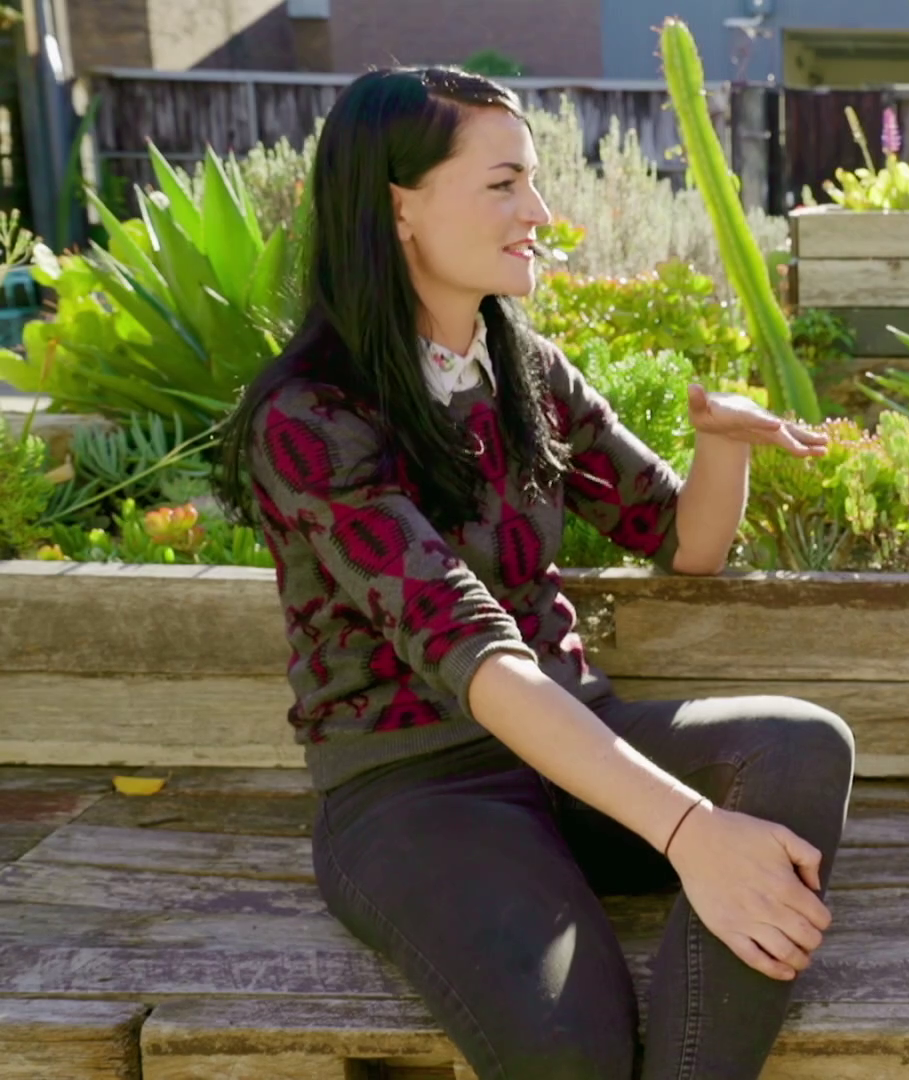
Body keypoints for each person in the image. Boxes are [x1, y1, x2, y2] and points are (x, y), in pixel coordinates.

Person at [214, 67, 854, 1079]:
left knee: (802, 745)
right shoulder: (311, 417)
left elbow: (679, 540)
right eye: (505, 183)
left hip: (574, 749)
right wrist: (691, 831)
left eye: (535, 181)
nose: (540, 213)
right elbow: (473, 653)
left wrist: (723, 444)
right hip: (421, 789)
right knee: (570, 1051)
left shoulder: (529, 372)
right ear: (399, 207)